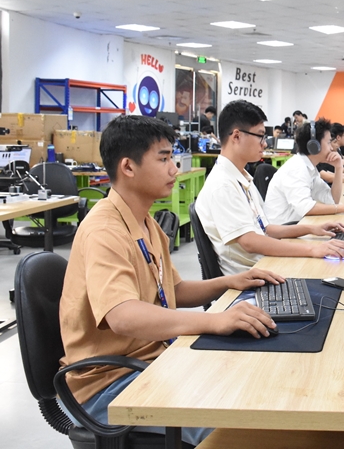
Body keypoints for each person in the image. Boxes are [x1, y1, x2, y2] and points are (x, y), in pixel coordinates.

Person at [58, 115, 284, 447]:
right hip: (108, 383)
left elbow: (173, 290)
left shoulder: (146, 223)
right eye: (163, 159)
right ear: (128, 167)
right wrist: (214, 321)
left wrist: (232, 281)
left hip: (152, 358)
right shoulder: (104, 231)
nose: (174, 170)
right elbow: (122, 316)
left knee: (248, 384)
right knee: (233, 424)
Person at [195, 101, 344, 275]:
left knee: (337, 265)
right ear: (236, 136)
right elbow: (249, 242)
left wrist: (311, 229)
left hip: (266, 264)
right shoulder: (223, 185)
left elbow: (266, 229)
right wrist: (312, 249)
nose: (264, 144)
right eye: (260, 136)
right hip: (255, 274)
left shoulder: (242, 177)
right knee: (336, 271)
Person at [266, 117, 344, 224]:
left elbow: (332, 200)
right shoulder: (296, 168)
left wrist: (338, 168)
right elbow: (305, 208)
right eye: (328, 142)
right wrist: (343, 208)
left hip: (299, 223)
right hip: (285, 227)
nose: (331, 148)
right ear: (314, 146)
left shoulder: (310, 168)